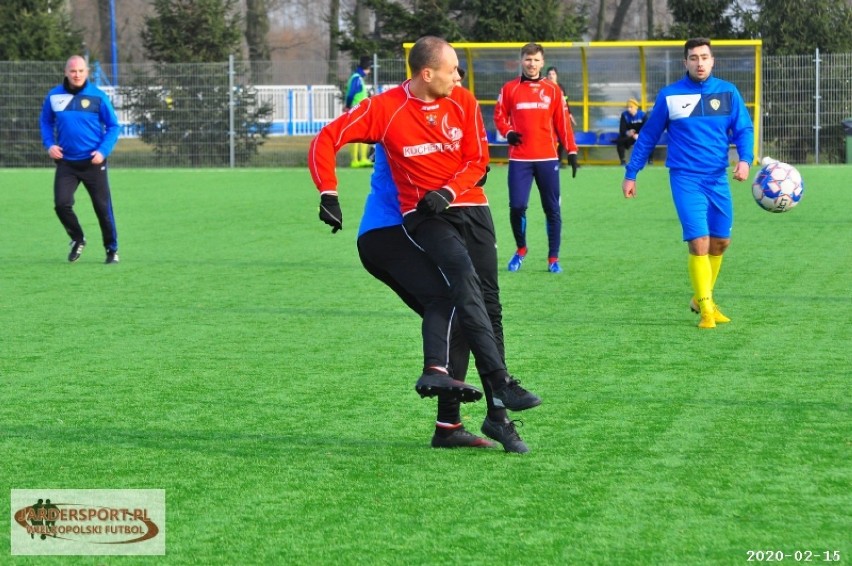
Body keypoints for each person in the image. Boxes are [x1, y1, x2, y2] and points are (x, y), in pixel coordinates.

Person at [309, 36, 541, 449]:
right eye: (452, 69)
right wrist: (328, 191)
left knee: (473, 311)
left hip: (440, 215)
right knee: (459, 304)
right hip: (395, 229)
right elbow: (329, 137)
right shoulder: (388, 111)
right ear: (425, 73)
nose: (458, 77)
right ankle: (472, 389)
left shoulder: (459, 105)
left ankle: (459, 424)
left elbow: (474, 159)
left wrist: (462, 183)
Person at [621, 38, 754, 329]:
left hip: (718, 178)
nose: (700, 63)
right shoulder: (670, 96)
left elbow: (743, 129)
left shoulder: (728, 93)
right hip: (685, 178)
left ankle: (699, 297)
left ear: (712, 60)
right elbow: (648, 136)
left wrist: (745, 159)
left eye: (704, 57)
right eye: (693, 58)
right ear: (685, 63)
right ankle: (707, 310)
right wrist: (632, 173)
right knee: (699, 241)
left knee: (721, 242)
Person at [495, 44, 579, 274]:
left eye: (536, 60)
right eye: (528, 59)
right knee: (517, 206)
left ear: (542, 63)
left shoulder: (552, 90)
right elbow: (499, 115)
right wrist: (508, 132)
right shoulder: (509, 88)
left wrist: (571, 151)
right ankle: (521, 250)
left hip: (547, 158)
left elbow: (562, 122)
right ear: (521, 61)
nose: (532, 64)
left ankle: (553, 258)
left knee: (552, 209)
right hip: (520, 159)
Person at [40, 55, 121, 264]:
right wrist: (50, 145)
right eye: (73, 71)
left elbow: (113, 126)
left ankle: (111, 250)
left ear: (87, 73)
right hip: (67, 163)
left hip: (93, 163)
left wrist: (103, 151)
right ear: (66, 72)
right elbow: (46, 122)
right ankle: (77, 238)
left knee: (103, 209)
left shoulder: (98, 96)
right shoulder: (54, 96)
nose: (77, 75)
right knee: (61, 204)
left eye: (81, 71)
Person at [343, 55, 374, 168]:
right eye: (369, 69)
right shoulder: (357, 78)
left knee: (363, 135)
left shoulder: (358, 78)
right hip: (357, 110)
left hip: (361, 110)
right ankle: (356, 160)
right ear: (366, 67)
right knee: (357, 136)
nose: (369, 72)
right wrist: (347, 106)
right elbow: (351, 94)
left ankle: (362, 159)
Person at [616, 98, 646, 165]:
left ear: (636, 107)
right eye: (627, 107)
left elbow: (646, 128)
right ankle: (622, 161)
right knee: (620, 141)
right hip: (629, 136)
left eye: (631, 107)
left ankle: (649, 160)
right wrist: (628, 132)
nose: (629, 109)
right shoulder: (624, 115)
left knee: (649, 141)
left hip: (640, 136)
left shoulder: (643, 115)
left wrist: (639, 135)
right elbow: (622, 129)